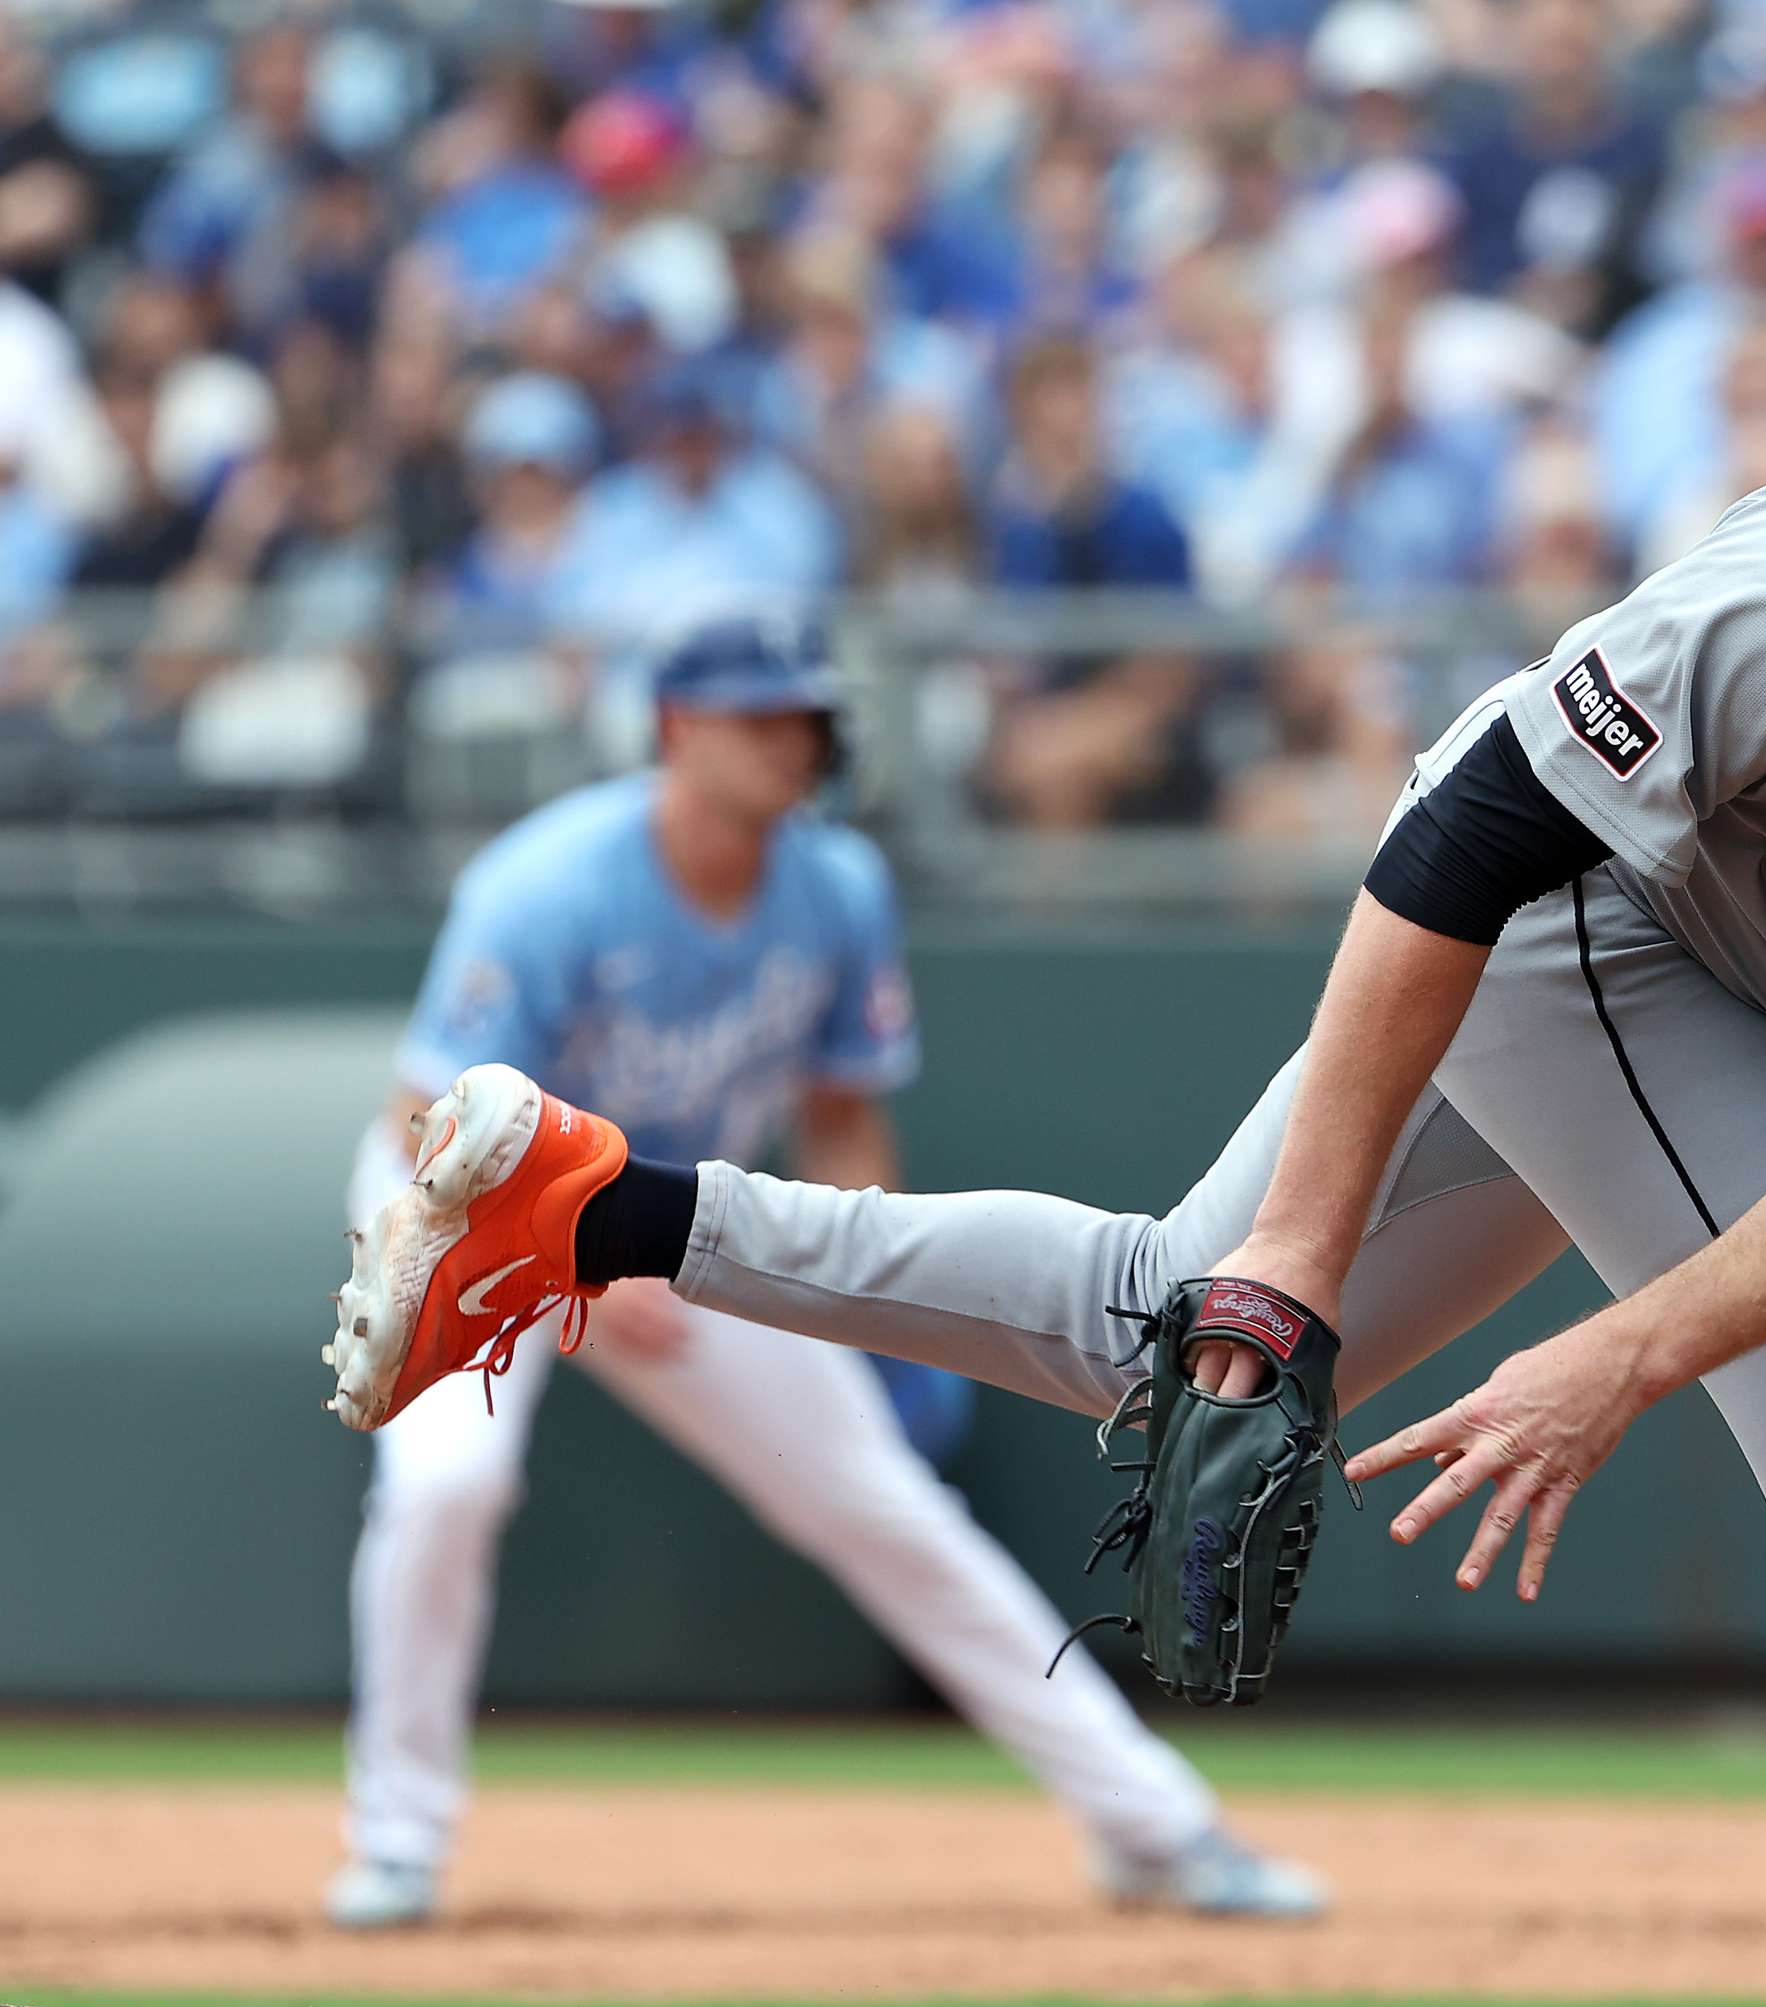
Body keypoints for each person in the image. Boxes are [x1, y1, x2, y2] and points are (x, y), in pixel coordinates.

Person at [327, 312, 1766, 2007]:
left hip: (1761, 1022)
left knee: (1147, 1331)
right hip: (1560, 902)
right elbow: (1462, 843)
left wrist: (1549, 1326)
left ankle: (596, 1206)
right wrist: (1334, 1251)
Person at [319, 613, 1319, 1932]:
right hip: (463, 1221)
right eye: (762, 717)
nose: (798, 740)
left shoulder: (837, 887)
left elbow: (842, 1119)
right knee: (449, 1482)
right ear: (678, 727)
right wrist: (595, 1298)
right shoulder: (552, 881)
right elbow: (421, 1117)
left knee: (886, 1509)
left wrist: (890, 1306)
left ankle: (1155, 1828)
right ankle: (397, 1841)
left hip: (671, 1226)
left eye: (807, 717)